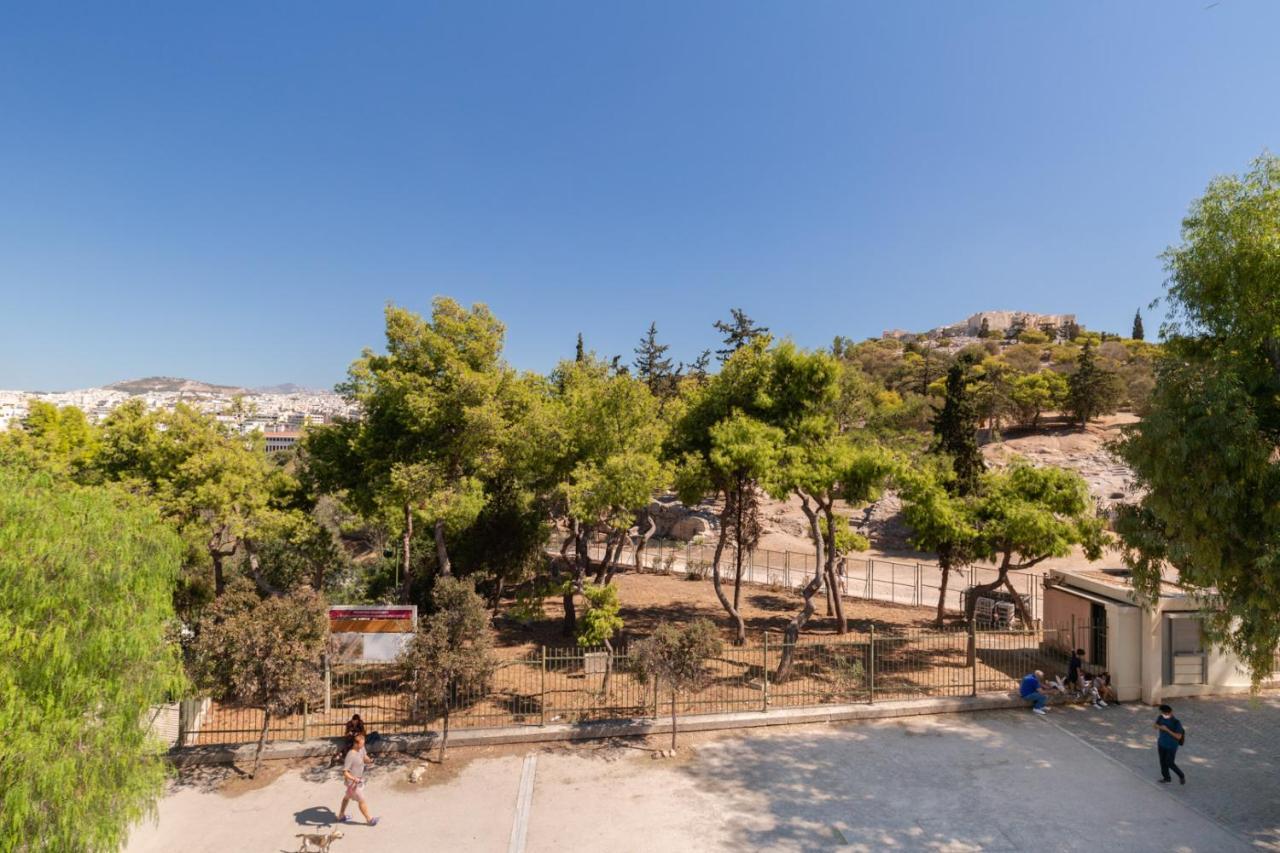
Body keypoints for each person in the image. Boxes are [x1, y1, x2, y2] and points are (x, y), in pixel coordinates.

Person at [337, 732, 380, 826]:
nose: (362, 747)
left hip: (358, 780)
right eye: (361, 745)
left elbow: (364, 756)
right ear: (356, 744)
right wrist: (353, 779)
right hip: (353, 783)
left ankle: (341, 816)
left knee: (346, 797)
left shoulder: (361, 748)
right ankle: (370, 820)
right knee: (361, 800)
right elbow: (345, 772)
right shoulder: (350, 755)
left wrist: (370, 760)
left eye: (363, 744)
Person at [1154, 704, 1186, 785]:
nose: (1164, 715)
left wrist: (1167, 730)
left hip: (1171, 746)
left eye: (1166, 714)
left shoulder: (1176, 722)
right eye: (1163, 713)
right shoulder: (1160, 717)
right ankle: (1166, 778)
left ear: (1171, 712)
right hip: (1161, 744)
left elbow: (1178, 737)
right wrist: (1161, 727)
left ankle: (1181, 775)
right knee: (1162, 762)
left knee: (1170, 763)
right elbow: (1155, 725)